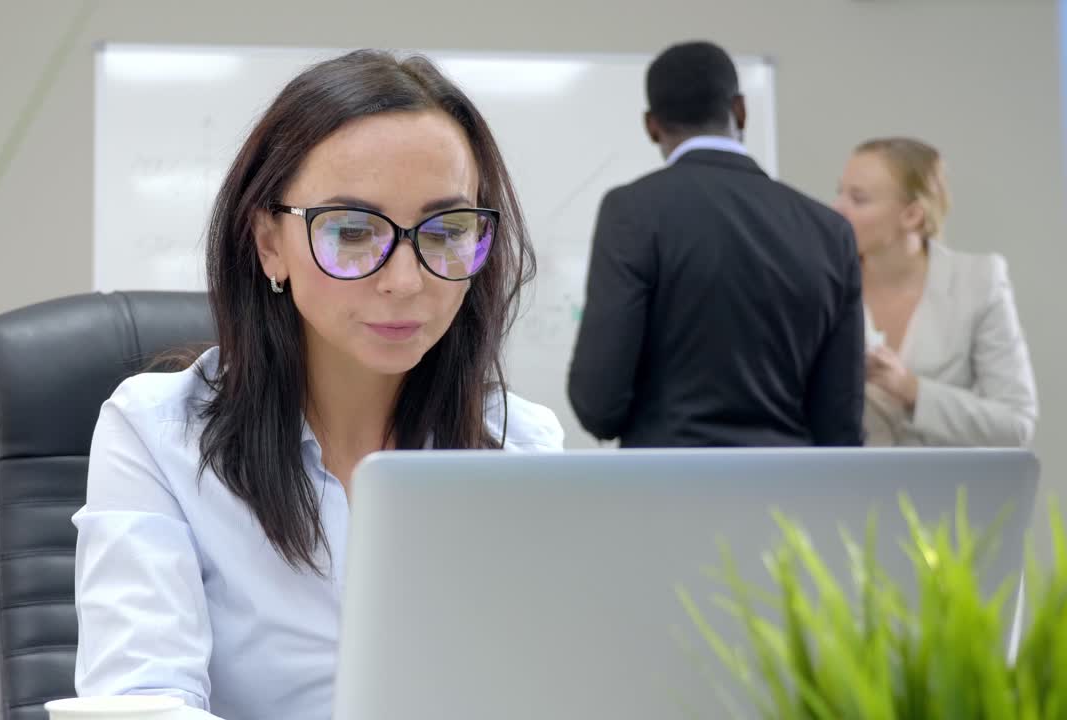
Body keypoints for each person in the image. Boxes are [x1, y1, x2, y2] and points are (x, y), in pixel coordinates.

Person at [72, 50, 564, 719]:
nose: (405, 280)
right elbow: (139, 703)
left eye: (446, 231)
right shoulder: (159, 436)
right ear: (269, 242)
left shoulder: (520, 447)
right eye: (355, 231)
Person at [568, 40, 864, 447]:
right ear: (740, 109)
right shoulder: (830, 231)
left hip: (666, 492)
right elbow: (841, 423)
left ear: (652, 125)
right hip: (787, 498)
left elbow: (598, 404)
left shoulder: (633, 211)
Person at [834, 137, 1037, 446]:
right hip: (854, 490)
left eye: (858, 199)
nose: (837, 209)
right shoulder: (828, 286)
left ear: (912, 215)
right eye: (840, 193)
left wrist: (914, 390)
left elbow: (1015, 423)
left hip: (952, 491)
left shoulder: (978, 282)